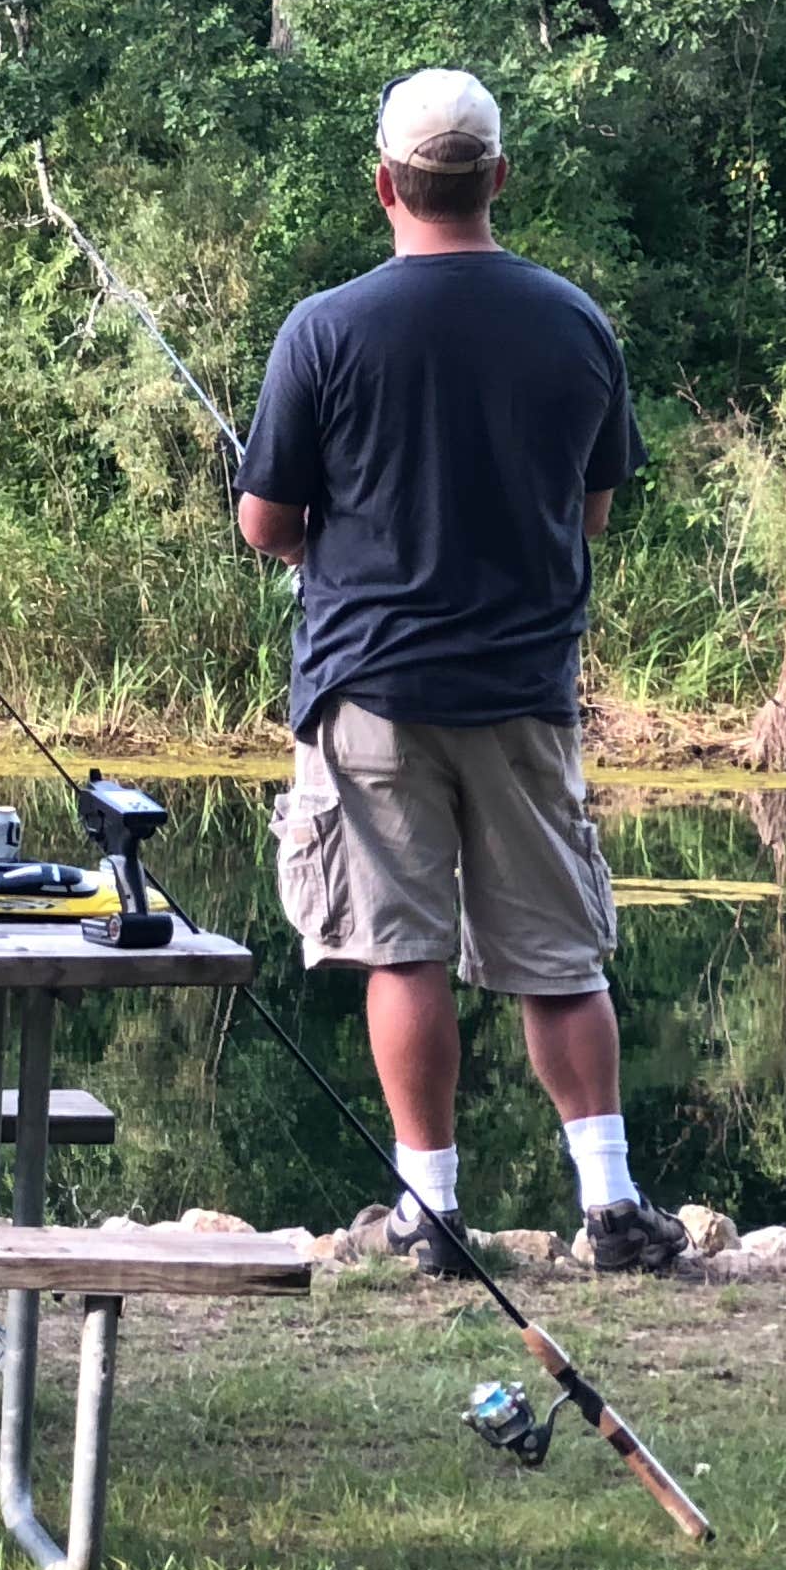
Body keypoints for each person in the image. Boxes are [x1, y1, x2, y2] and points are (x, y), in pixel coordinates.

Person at [233, 68, 688, 1276]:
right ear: (498, 178)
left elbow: (267, 523)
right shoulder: (575, 322)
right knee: (557, 953)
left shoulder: (324, 328)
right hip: (526, 691)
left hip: (369, 690)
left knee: (403, 949)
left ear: (385, 184)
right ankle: (612, 1202)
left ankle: (429, 1212)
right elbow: (589, 513)